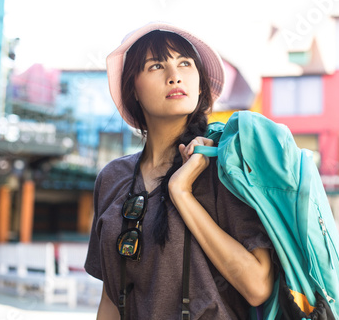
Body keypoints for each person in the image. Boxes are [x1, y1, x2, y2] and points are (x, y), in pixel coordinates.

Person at [85, 22, 275, 320]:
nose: (174, 77)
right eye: (156, 66)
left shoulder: (225, 168)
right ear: (132, 87)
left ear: (200, 84)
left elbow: (258, 286)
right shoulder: (112, 178)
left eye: (185, 63)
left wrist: (181, 192)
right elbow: (110, 300)